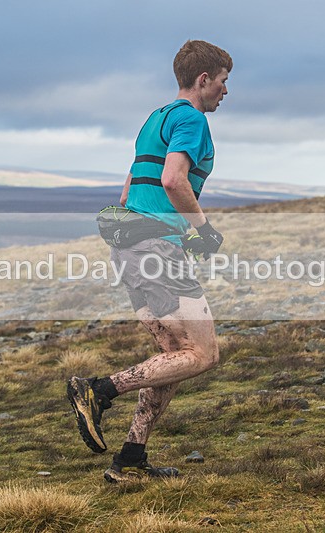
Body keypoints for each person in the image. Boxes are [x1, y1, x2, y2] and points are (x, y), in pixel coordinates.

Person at [67, 39, 232, 483]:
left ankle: (130, 460)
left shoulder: (154, 119)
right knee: (203, 353)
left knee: (175, 355)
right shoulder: (191, 119)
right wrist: (203, 230)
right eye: (222, 81)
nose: (224, 91)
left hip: (130, 243)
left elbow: (127, 193)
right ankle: (98, 390)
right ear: (203, 80)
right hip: (156, 245)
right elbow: (174, 179)